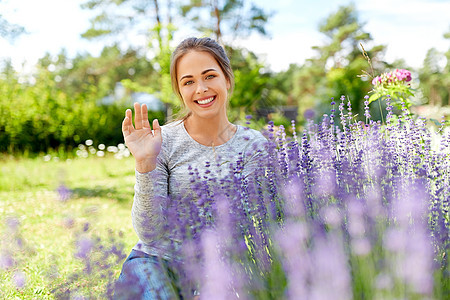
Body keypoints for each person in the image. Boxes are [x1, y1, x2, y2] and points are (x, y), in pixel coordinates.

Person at [114, 37, 267, 299]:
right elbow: (149, 232)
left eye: (209, 76)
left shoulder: (253, 145)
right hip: (155, 262)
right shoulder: (161, 140)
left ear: (227, 79)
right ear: (180, 91)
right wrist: (145, 163)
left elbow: (252, 226)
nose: (201, 89)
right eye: (188, 81)